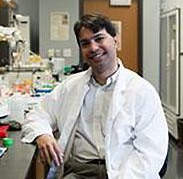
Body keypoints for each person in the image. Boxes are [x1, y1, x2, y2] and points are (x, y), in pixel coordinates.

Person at [22, 14, 168, 179]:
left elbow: (150, 153)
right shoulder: (70, 86)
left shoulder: (141, 91)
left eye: (99, 39)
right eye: (85, 43)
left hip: (122, 173)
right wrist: (43, 135)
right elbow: (37, 114)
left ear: (115, 41)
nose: (93, 48)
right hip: (78, 172)